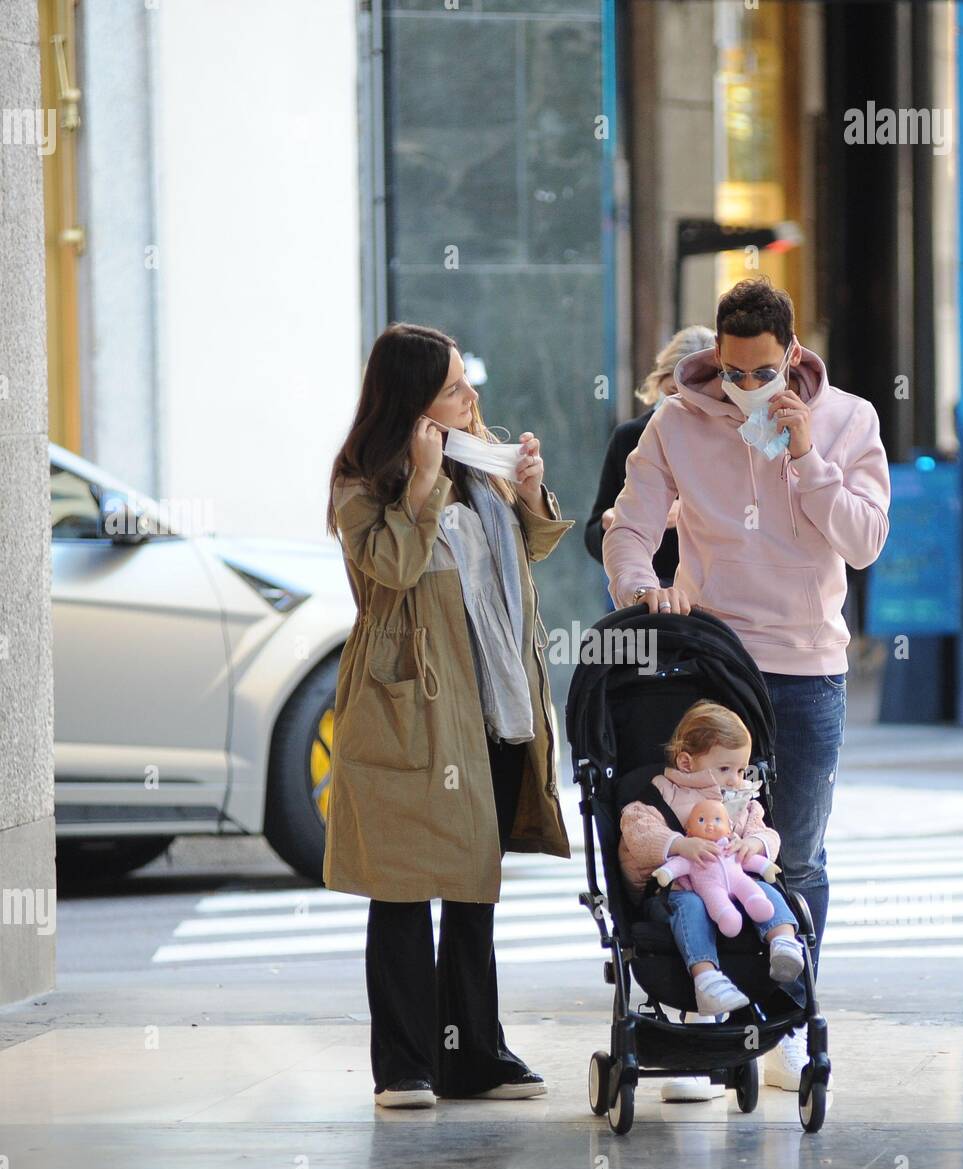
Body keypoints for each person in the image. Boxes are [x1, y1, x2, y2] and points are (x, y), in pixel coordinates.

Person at [603, 276, 890, 1094]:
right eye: (732, 371)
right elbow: (628, 523)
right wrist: (639, 592)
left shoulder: (849, 419)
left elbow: (864, 542)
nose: (745, 387)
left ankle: (789, 1024)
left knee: (791, 855)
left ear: (792, 358)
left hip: (806, 668)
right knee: (702, 845)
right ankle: (711, 1015)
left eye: (762, 372)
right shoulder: (675, 423)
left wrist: (807, 456)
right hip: (712, 662)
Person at [323, 322, 573, 1109]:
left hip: (492, 698)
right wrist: (422, 484)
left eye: (469, 382)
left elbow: (520, 556)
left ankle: (474, 1054)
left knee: (473, 882)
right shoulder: (363, 481)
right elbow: (393, 568)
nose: (473, 399)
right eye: (455, 389)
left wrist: (528, 493)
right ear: (413, 406)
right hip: (410, 705)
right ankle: (403, 1064)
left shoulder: (478, 461)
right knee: (400, 883)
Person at [619, 701, 808, 1021]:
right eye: (724, 770)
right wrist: (679, 844)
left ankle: (783, 943)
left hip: (734, 888)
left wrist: (753, 844)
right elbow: (637, 830)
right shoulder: (662, 794)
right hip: (678, 891)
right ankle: (706, 978)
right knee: (692, 907)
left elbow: (767, 833)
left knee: (767, 891)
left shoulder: (739, 800)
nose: (735, 780)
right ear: (686, 762)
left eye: (740, 769)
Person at [584, 326, 716, 600]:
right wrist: (612, 524)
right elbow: (593, 531)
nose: (681, 405)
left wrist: (690, 512)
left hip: (706, 595)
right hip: (642, 590)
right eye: (673, 392)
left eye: (693, 395)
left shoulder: (722, 439)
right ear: (658, 382)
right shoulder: (630, 436)